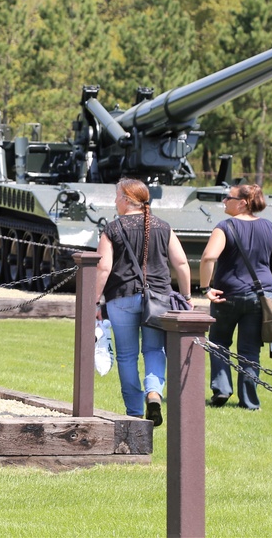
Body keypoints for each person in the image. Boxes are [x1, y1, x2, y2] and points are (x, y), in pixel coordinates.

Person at [95, 179, 191, 426]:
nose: (115, 201)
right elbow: (181, 263)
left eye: (117, 196)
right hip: (158, 299)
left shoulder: (113, 229)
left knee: (127, 356)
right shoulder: (163, 226)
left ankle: (134, 411)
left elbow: (104, 268)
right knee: (154, 350)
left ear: (127, 199)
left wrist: (93, 300)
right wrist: (187, 297)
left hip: (122, 298)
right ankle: (154, 394)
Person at [199, 183, 272, 410]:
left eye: (227, 197)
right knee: (250, 349)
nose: (224, 201)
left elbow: (208, 257)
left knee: (219, 342)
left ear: (242, 202)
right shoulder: (270, 227)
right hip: (261, 297)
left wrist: (205, 288)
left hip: (226, 295)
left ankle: (221, 390)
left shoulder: (224, 227)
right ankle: (249, 402)